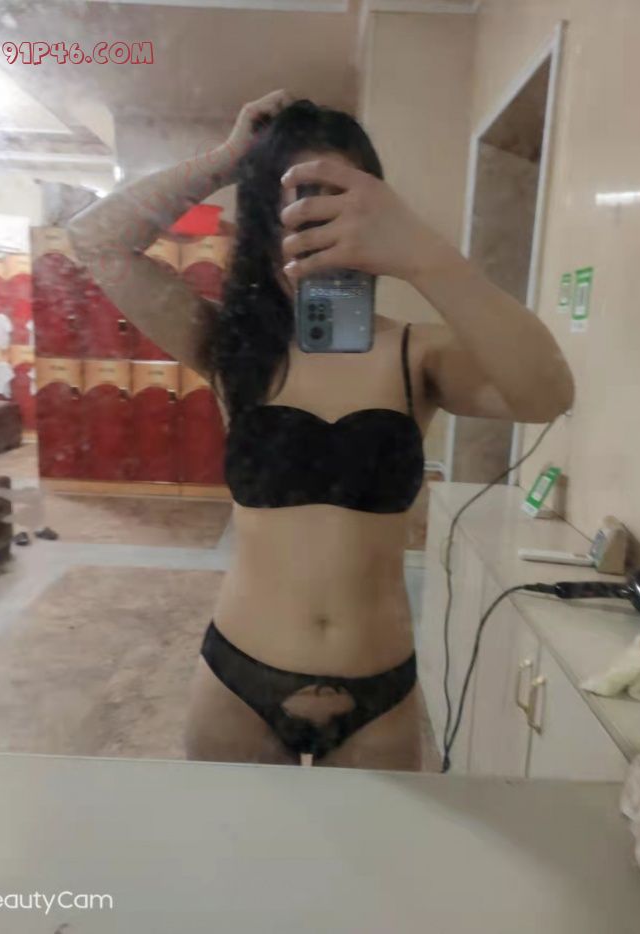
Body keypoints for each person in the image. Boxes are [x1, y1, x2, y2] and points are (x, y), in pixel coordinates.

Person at [68, 90, 574, 770]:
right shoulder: (231, 348)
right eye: (297, 205)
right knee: (235, 843)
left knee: (358, 849)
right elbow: (96, 239)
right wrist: (228, 160)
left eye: (340, 202)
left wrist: (423, 253)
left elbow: (547, 394)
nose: (318, 225)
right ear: (263, 220)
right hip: (238, 682)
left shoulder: (417, 353)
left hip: (380, 691)